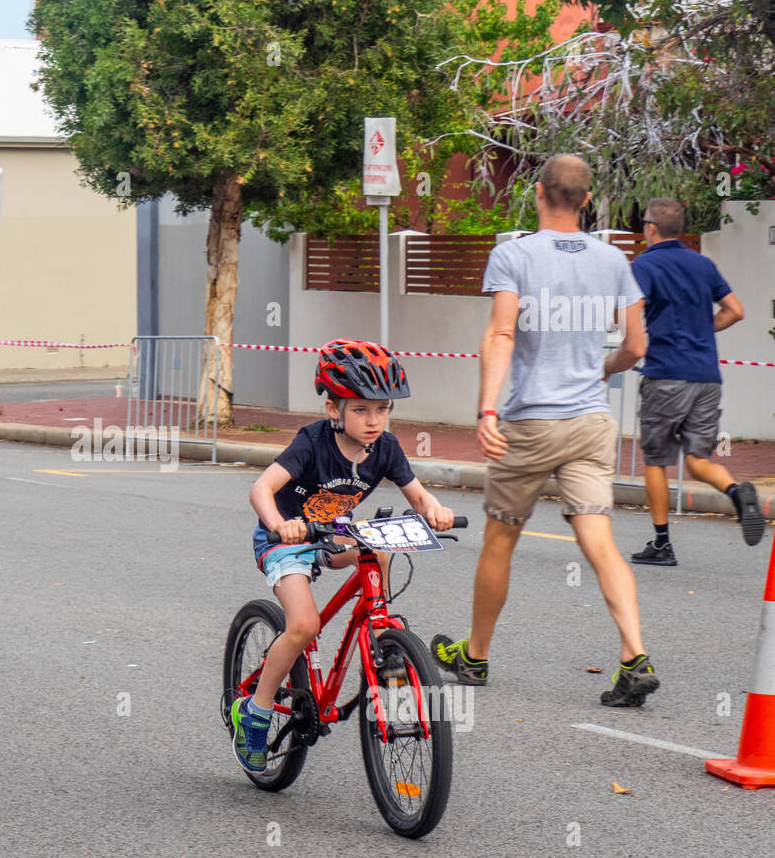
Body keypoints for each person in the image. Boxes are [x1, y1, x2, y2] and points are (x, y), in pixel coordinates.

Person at [430, 154, 657, 708]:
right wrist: (599, 370)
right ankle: (634, 656)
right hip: (589, 424)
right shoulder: (614, 261)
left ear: (537, 194)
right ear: (586, 201)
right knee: (599, 539)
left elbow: (502, 332)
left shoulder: (514, 255)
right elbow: (636, 347)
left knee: (500, 539)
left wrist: (487, 410)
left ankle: (476, 655)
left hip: (529, 423)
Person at [230, 338, 455, 772]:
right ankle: (254, 712)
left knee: (381, 546)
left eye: (382, 409)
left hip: (335, 534)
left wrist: (436, 511)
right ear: (333, 409)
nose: (374, 420)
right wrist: (281, 524)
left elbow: (418, 494)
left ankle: (378, 633)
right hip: (287, 541)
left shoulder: (385, 448)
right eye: (360, 409)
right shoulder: (311, 442)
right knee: (303, 625)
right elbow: (261, 489)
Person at [627, 197, 762, 565]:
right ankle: (735, 492)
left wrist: (632, 342)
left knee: (655, 460)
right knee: (697, 460)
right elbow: (736, 311)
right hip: (706, 377)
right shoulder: (703, 264)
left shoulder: (645, 264)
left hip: (666, 375)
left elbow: (631, 311)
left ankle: (661, 544)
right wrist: (701, 328)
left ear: (652, 227)